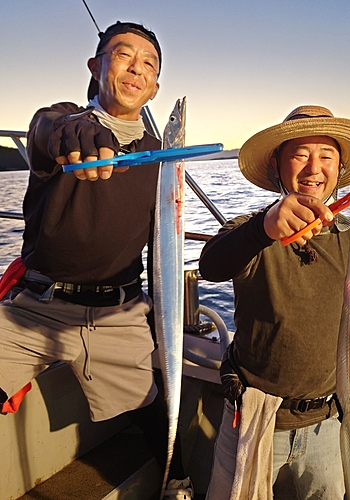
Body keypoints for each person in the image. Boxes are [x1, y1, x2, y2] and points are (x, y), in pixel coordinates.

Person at [0, 21, 192, 500]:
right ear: (96, 65)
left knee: (161, 410)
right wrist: (80, 132)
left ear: (155, 87)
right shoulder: (62, 124)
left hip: (119, 313)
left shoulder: (161, 160)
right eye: (124, 55)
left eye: (148, 64)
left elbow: (162, 242)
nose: (136, 68)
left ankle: (181, 487)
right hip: (34, 305)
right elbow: (48, 128)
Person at [198, 105, 350, 499]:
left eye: (325, 156)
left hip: (328, 422)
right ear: (277, 166)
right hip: (254, 419)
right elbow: (211, 264)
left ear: (339, 166)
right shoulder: (249, 230)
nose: (314, 168)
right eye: (299, 154)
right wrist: (264, 227)